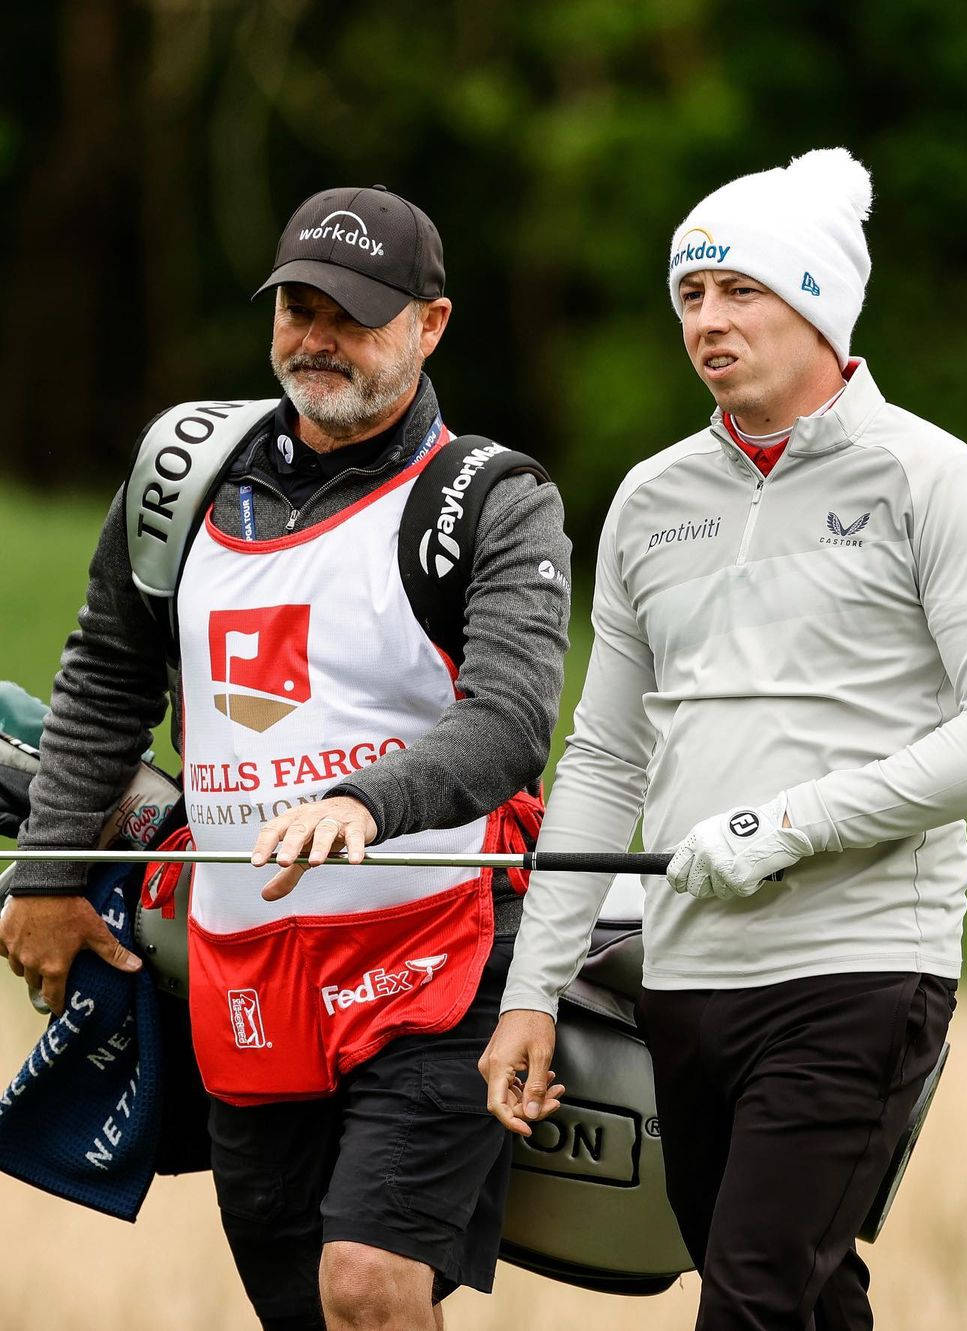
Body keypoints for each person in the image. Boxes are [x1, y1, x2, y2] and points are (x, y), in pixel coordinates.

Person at [479, 148, 967, 1330]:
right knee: (798, 1292)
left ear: (819, 304)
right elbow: (602, 757)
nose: (707, 319)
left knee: (751, 1295)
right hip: (684, 973)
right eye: (690, 295)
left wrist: (789, 823)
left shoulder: (932, 479)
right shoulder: (651, 498)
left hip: (860, 962)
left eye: (740, 290)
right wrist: (531, 990)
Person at [1, 185, 571, 1331]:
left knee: (367, 1282)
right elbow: (108, 673)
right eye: (297, 307)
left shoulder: (492, 497)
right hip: (247, 966)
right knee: (301, 1306)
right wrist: (47, 876)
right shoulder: (184, 477)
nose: (316, 338)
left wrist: (366, 800)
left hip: (437, 954)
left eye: (353, 315)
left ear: (432, 324)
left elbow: (511, 718)